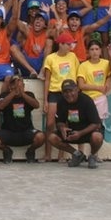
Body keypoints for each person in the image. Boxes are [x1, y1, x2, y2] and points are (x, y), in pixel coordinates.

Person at [41, 31, 81, 162]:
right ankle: (47, 154)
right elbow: (47, 79)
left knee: (66, 123)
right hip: (55, 91)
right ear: (61, 44)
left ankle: (61, 155)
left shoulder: (73, 57)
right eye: (68, 44)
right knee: (50, 124)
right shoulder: (51, 58)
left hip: (69, 93)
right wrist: (45, 100)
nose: (70, 47)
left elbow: (76, 76)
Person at [47, 79, 104, 169]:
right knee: (51, 137)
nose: (68, 94)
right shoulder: (61, 101)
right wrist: (62, 128)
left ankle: (92, 156)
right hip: (72, 131)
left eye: (71, 91)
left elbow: (96, 124)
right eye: (65, 91)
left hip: (87, 131)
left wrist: (80, 133)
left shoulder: (87, 101)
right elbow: (59, 121)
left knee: (97, 137)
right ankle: (77, 154)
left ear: (77, 89)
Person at [0, 74, 45, 163]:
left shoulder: (29, 94)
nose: (17, 86)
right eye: (14, 84)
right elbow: (1, 106)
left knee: (41, 137)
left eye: (20, 84)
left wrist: (22, 94)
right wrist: (13, 93)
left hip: (26, 131)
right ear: (10, 86)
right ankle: (6, 150)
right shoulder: (4, 95)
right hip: (8, 132)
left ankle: (31, 151)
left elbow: (36, 105)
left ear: (24, 86)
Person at [77, 40, 111, 122]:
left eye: (97, 49)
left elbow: (110, 74)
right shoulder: (83, 65)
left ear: (101, 51)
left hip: (100, 98)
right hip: (87, 98)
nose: (94, 52)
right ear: (88, 52)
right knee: (87, 122)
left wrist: (108, 82)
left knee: (99, 124)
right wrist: (98, 88)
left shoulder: (106, 63)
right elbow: (81, 85)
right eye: (92, 49)